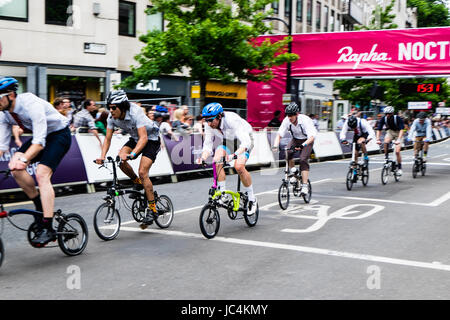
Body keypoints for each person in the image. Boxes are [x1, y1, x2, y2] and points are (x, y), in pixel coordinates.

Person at [0, 77, 71, 245]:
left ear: (10, 95)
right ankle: (40, 206)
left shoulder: (30, 103)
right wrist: (19, 161)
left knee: (42, 173)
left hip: (59, 135)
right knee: (15, 167)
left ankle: (48, 226)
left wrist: (24, 158)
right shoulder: (4, 114)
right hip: (44, 137)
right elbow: (2, 146)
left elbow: (39, 143)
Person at [95, 90, 161, 229]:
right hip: (135, 139)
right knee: (120, 159)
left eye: (114, 107)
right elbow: (107, 139)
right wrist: (102, 156)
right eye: (109, 107)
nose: (111, 111)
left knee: (143, 172)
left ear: (122, 106)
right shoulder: (111, 118)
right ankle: (136, 182)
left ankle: (153, 209)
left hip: (151, 140)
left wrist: (133, 154)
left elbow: (144, 138)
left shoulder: (136, 113)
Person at [196, 102, 258, 215]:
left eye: (211, 120)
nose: (209, 123)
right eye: (206, 120)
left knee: (238, 166)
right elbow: (208, 145)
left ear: (219, 116)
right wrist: (203, 158)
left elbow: (246, 143)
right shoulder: (209, 124)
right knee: (217, 160)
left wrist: (234, 156)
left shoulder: (232, 120)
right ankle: (223, 194)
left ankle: (252, 199)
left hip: (244, 140)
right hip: (228, 141)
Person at [272, 102, 317, 195]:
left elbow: (312, 137)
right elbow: (279, 134)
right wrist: (275, 145)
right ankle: (294, 172)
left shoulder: (305, 120)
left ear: (297, 114)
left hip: (307, 140)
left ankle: (304, 185)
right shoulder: (286, 120)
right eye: (288, 115)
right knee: (287, 153)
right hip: (296, 139)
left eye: (292, 115)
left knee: (303, 159)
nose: (289, 117)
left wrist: (302, 146)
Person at [376, 106, 405, 175]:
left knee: (397, 152)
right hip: (390, 132)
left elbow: (402, 130)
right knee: (386, 142)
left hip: (398, 133)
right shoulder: (384, 118)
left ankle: (400, 168)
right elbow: (379, 129)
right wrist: (377, 139)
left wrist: (398, 139)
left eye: (389, 114)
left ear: (392, 113)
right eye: (386, 114)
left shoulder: (397, 118)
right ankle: (386, 157)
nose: (388, 115)